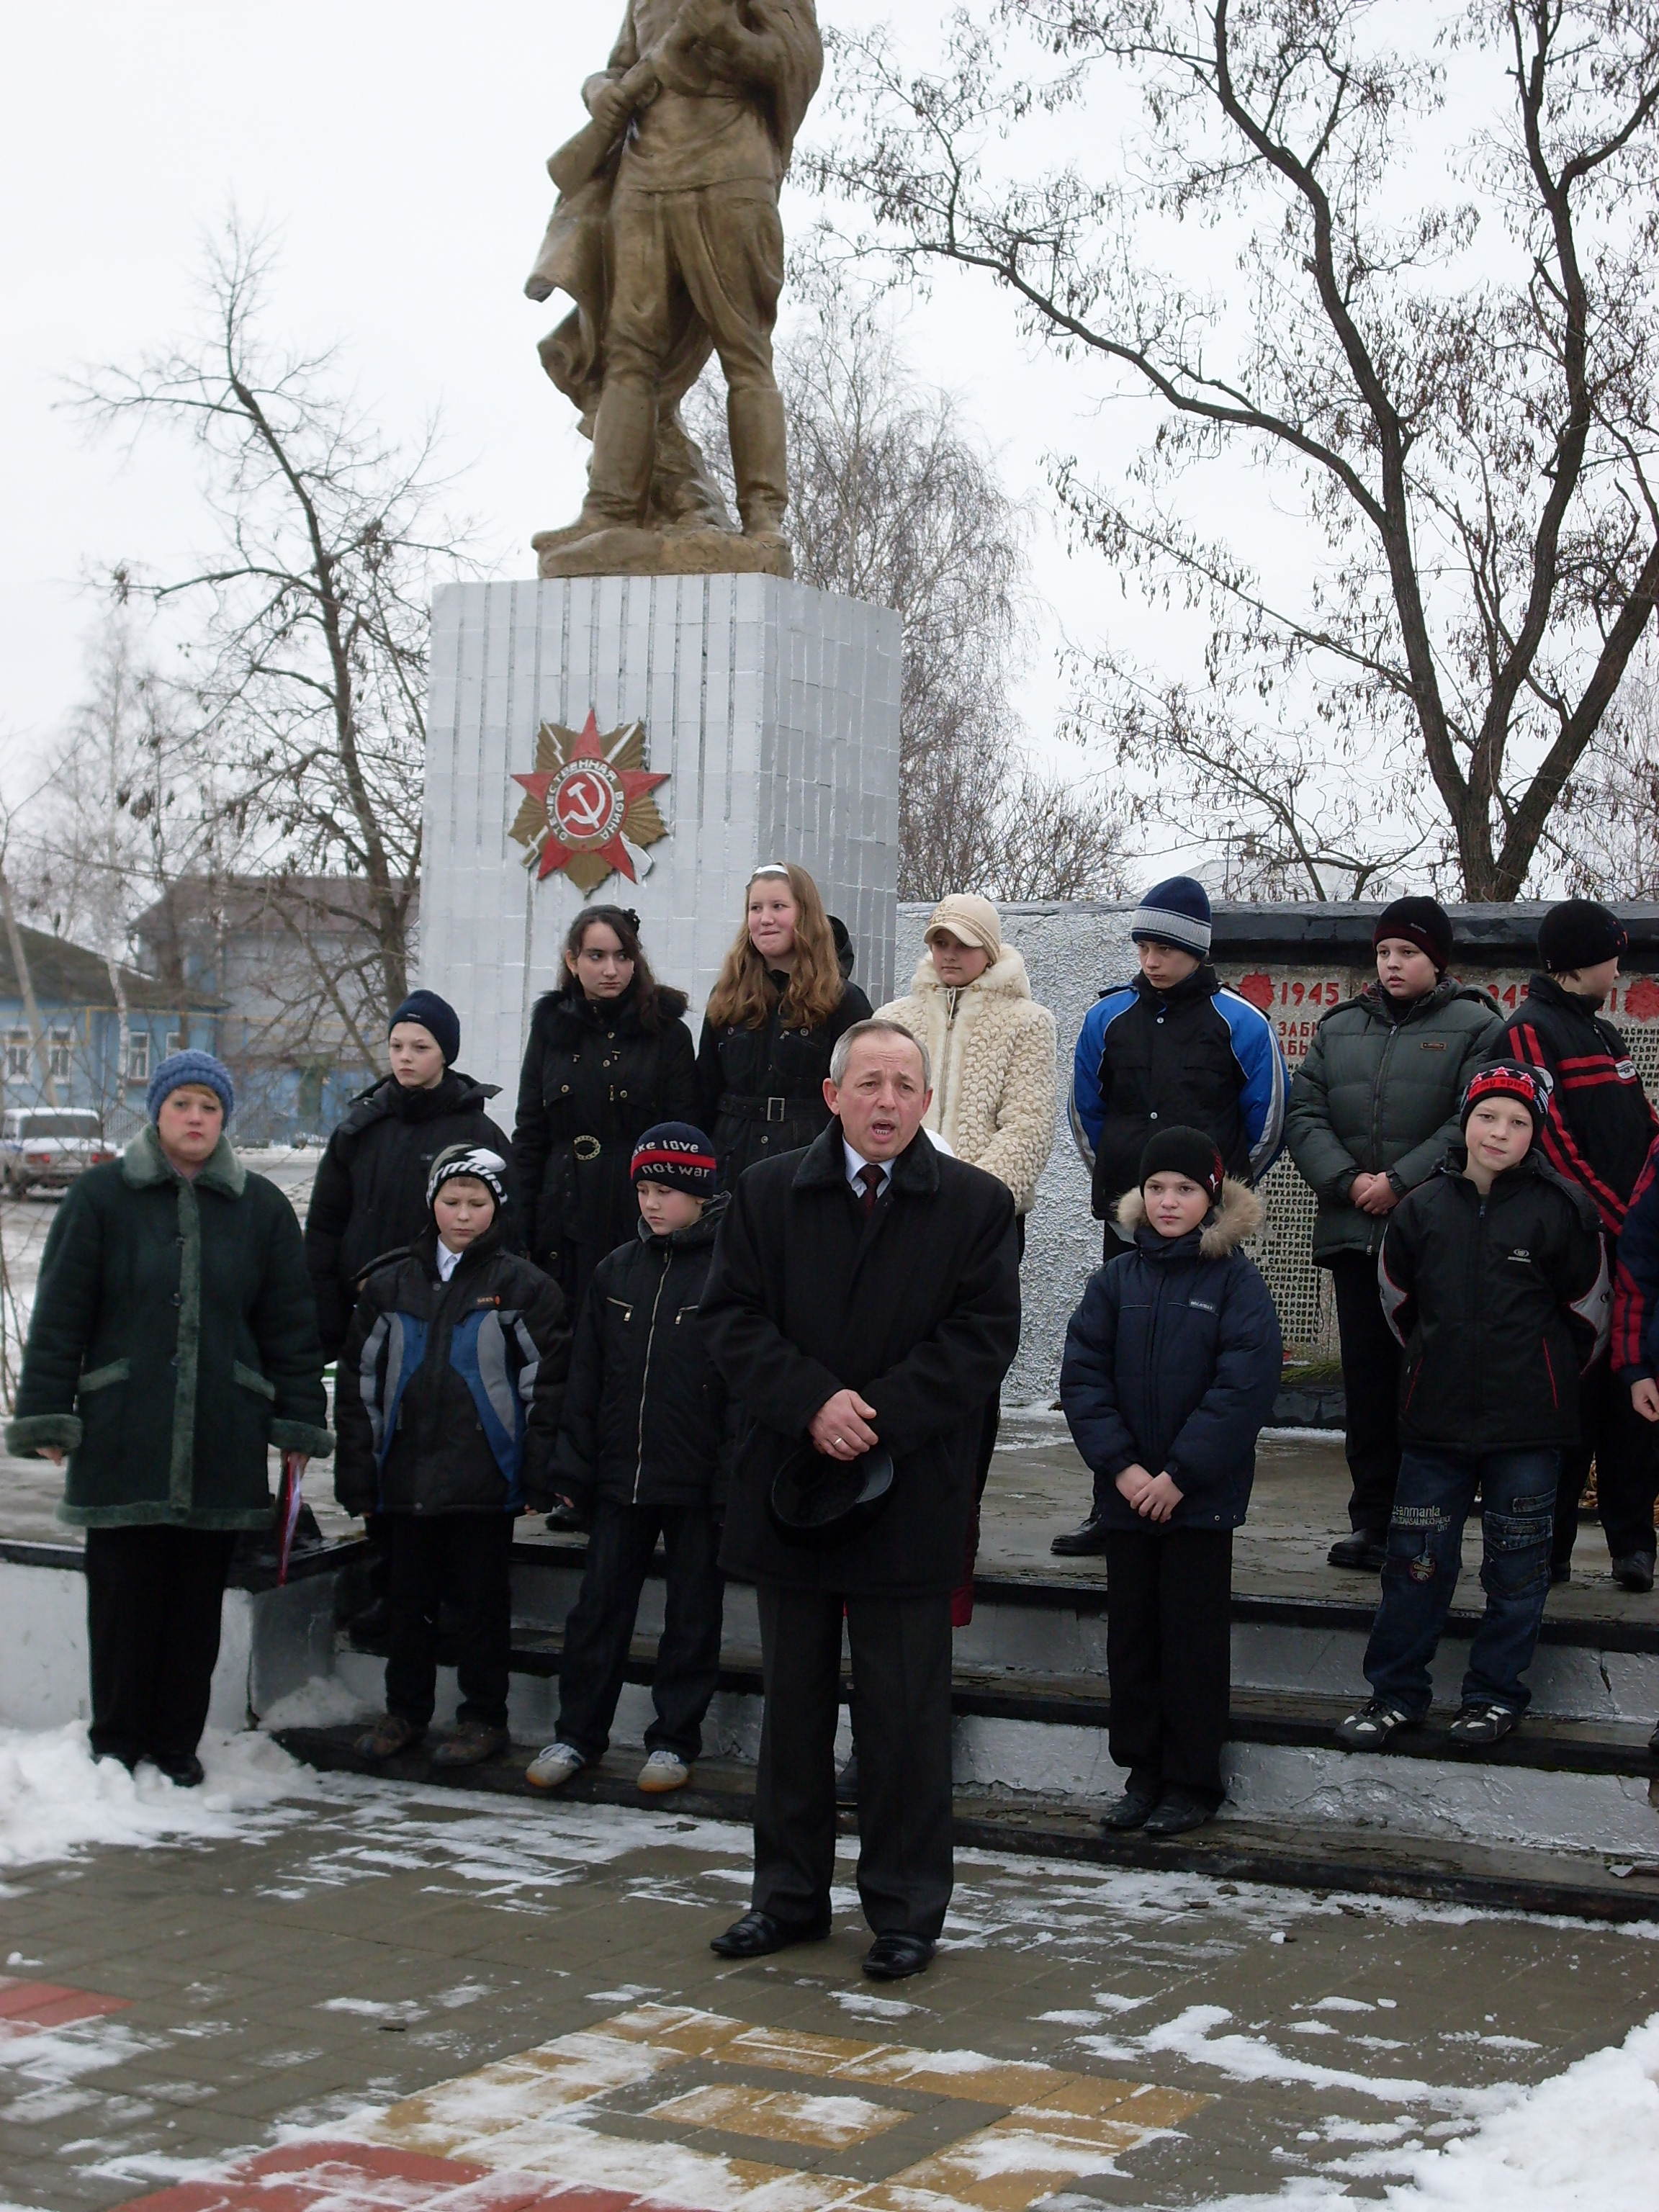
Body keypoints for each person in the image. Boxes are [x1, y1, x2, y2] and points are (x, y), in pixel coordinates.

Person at [699, 1019, 1020, 1981]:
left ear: (927, 1103)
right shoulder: (764, 1194)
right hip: (792, 1490)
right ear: (832, 1096)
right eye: (869, 1082)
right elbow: (727, 1318)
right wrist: (813, 1405)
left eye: (905, 1085)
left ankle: (906, 1911)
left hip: (908, 1495)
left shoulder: (974, 1205)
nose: (887, 1101)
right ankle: (787, 1899)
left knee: (904, 1718)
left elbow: (982, 1340)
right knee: (792, 1712)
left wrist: (874, 1412)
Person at [4, 1051, 332, 1786]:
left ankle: (177, 1744)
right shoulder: (100, 1198)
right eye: (182, 1103)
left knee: (193, 1604)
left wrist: (297, 1425)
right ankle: (117, 1743)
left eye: (209, 1108)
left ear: (224, 1119)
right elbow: (60, 1315)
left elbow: (289, 1325)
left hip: (224, 1429)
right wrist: (50, 1415)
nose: (195, 1119)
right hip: (124, 1426)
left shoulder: (261, 1209)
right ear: (157, 1111)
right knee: (122, 1599)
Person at [1338, 1063, 1610, 1753]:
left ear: (1536, 1134)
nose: (1500, 1132)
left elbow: (1587, 1318)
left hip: (1530, 1427)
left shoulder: (1564, 1209)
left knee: (1516, 1571)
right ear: (1466, 1119)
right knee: (1416, 1564)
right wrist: (1433, 1365)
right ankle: (1396, 1694)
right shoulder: (1423, 1207)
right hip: (1436, 1424)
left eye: (1518, 1123)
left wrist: (1544, 1377)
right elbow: (1398, 1306)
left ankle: (1495, 1695)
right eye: (1489, 1116)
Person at [1059, 1129, 1282, 1836]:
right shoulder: (1115, 1281)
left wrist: (1179, 1474)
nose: (1168, 1201)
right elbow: (1085, 1380)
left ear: (1212, 1196)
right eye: (1157, 1188)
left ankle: (1192, 1780)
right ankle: (1142, 1771)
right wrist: (1124, 1469)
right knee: (1133, 1642)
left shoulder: (1236, 1283)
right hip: (1127, 1501)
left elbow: (1242, 1389)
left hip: (1196, 1505)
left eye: (1184, 1189)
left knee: (1190, 1643)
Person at [1059, 875, 1287, 1556]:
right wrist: (1124, 1188)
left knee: (1197, 1367)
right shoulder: (1106, 1018)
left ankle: (1191, 1494)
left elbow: (1268, 1120)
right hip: (1132, 1221)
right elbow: (1084, 1114)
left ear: (1196, 949)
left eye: (1163, 947)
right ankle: (1115, 1502)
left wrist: (1217, 1200)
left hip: (1207, 1234)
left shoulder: (1241, 1021)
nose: (1150, 960)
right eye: (1142, 946)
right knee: (1120, 1362)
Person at [1285, 898, 1503, 1570]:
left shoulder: (1475, 1026)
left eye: (1407, 953)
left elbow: (1472, 1117)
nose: (1392, 964)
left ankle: (1428, 1524)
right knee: (1369, 1384)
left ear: (1436, 959)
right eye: (1384, 953)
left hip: (1432, 1238)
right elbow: (1304, 1112)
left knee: (1430, 1382)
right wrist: (1350, 1181)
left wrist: (1400, 1182)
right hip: (1356, 1234)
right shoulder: (1341, 1026)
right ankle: (1373, 1522)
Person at [335, 1147, 571, 1768]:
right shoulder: (389, 1285)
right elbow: (359, 1385)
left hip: (485, 1480)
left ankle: (482, 1716)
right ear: (432, 1203)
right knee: (407, 1602)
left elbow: (544, 1389)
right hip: (406, 1476)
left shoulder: (524, 1287)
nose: (463, 1215)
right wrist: (360, 1471)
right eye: (451, 1201)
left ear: (498, 1208)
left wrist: (537, 1474)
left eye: (477, 1203)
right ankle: (404, 1710)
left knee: (481, 1607)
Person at [525, 1124, 732, 1798]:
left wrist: (730, 1479)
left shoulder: (729, 1272)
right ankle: (577, 1733)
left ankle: (674, 1740)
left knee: (692, 1616)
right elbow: (584, 1378)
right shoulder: (615, 1270)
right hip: (620, 1476)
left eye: (667, 1191)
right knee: (599, 1609)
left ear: (700, 1195)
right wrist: (571, 1470)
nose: (652, 1203)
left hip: (697, 1481)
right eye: (644, 1188)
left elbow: (741, 1386)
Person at [876, 891, 1056, 1620]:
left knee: (967, 1388)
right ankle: (877, 1525)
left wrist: (964, 1204)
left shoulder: (1028, 1022)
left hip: (980, 1229)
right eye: (938, 941)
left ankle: (954, 1549)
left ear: (988, 947)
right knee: (887, 1366)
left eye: (962, 942)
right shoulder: (895, 1020)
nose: (948, 955)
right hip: (893, 1223)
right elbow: (877, 1114)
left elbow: (1028, 1127)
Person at [1501, 899, 1659, 1589]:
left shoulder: (1606, 1036)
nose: (1618, 969)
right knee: (1571, 1406)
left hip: (1631, 1245)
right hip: (1579, 1252)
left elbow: (1645, 1127)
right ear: (1579, 961)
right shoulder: (1531, 1031)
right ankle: (1553, 1548)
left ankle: (1633, 1545)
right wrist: (1621, 1219)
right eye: (1612, 956)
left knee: (1633, 1398)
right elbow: (1554, 1142)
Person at [305, 989, 518, 1364]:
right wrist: (327, 1319)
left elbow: (507, 1230)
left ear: (445, 1054)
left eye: (420, 1047)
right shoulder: (359, 1131)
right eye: (396, 1045)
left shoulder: (478, 1135)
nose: (405, 1057)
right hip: (364, 1312)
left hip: (451, 1319)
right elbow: (325, 1227)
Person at [512, 904, 698, 1313]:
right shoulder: (551, 1031)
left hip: (634, 1212)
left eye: (622, 956)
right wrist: (519, 1227)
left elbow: (684, 1134)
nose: (610, 970)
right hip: (561, 1208)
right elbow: (530, 1133)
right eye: (596, 956)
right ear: (572, 962)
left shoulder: (667, 1034)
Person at [696, 862, 872, 1188]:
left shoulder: (843, 1000)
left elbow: (862, 1093)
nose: (765, 919)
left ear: (804, 914)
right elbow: (704, 1091)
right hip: (731, 1160)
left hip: (809, 1159)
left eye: (778, 907)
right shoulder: (725, 996)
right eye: (755, 908)